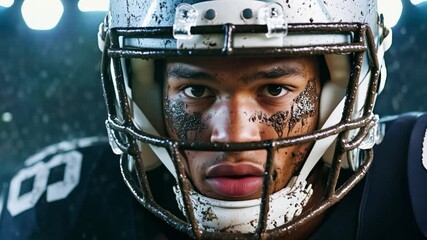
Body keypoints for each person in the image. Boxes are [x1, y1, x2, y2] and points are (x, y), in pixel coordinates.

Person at [1, 0, 426, 239]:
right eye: (196, 91)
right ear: (146, 97)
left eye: (274, 90)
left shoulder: (414, 176)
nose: (232, 134)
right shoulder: (71, 202)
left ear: (340, 92)